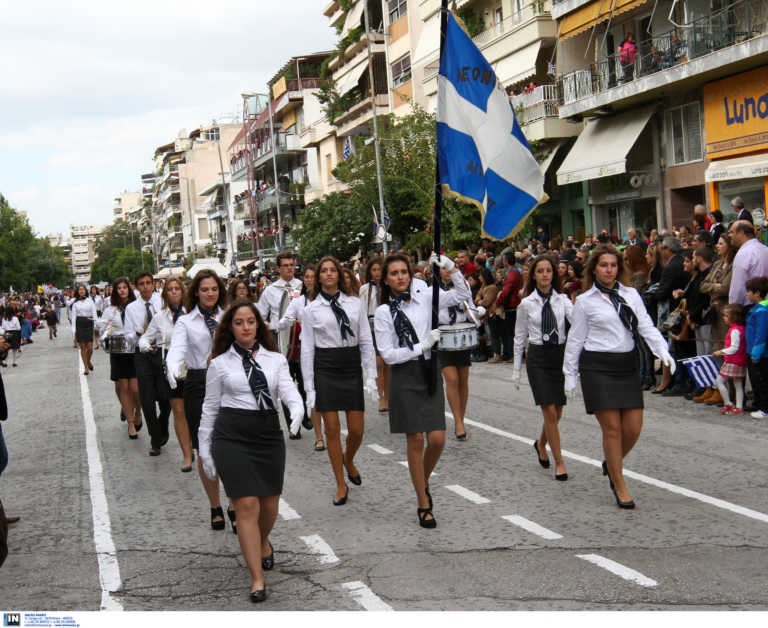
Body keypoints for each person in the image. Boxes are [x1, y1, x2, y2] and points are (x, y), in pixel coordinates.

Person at [199, 301, 303, 602]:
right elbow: (210, 408)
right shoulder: (219, 364)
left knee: (269, 504)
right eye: (238, 323)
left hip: (267, 434)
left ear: (258, 325)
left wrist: (297, 408)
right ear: (230, 329)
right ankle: (257, 578)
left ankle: (262, 540)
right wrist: (204, 448)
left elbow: (288, 390)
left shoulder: (275, 359)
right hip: (231, 435)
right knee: (246, 504)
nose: (245, 327)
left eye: (250, 321)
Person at [564, 244, 675, 509]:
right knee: (612, 429)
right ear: (594, 269)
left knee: (633, 428)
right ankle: (619, 483)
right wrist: (569, 374)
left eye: (613, 265)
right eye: (604, 265)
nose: (609, 270)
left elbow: (646, 326)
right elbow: (575, 339)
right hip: (597, 366)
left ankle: (611, 462)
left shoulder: (631, 295)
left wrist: (663, 351)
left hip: (626, 364)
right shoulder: (585, 301)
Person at [374, 253, 468, 528]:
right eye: (394, 273)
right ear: (386, 279)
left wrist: (450, 267)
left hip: (428, 371)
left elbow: (462, 295)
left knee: (437, 439)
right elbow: (388, 354)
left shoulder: (426, 296)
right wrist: (421, 346)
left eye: (404, 271)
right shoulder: (383, 313)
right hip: (404, 374)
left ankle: (421, 479)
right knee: (415, 439)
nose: (400, 277)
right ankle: (423, 501)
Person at [300, 256, 376, 505]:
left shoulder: (354, 304)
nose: (330, 274)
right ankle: (340, 483)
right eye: (324, 271)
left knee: (357, 429)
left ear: (340, 274)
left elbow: (365, 340)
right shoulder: (310, 310)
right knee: (331, 428)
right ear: (318, 277)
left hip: (350, 365)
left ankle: (348, 458)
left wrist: (371, 375)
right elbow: (307, 350)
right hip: (326, 367)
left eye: (333, 270)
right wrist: (309, 387)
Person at [166, 270, 230, 531]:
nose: (210, 293)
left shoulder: (229, 316)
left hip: (228, 383)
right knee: (205, 447)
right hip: (198, 383)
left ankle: (235, 502)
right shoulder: (185, 322)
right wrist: (172, 366)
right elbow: (177, 349)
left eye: (214, 288)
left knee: (229, 446)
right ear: (196, 292)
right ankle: (215, 506)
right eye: (204, 289)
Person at [513, 255, 573, 481]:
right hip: (538, 357)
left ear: (554, 274)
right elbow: (519, 337)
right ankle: (560, 462)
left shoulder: (563, 300)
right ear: (534, 276)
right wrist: (516, 369)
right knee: (548, 409)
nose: (545, 274)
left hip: (559, 355)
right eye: (540, 271)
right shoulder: (526, 304)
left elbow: (577, 322)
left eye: (548, 270)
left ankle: (541, 443)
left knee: (558, 411)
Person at [139, 278, 192, 471]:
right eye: (170, 289)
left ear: (183, 292)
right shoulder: (160, 317)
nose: (174, 291)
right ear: (165, 294)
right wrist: (146, 345)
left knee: (193, 409)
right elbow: (145, 338)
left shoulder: (192, 313)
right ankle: (187, 455)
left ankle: (195, 442)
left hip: (192, 363)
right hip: (171, 364)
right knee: (178, 409)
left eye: (177, 288)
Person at [256, 251, 307, 439]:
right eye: (285, 265)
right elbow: (260, 316)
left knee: (305, 380)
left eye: (292, 265)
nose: (289, 269)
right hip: (281, 340)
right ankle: (294, 425)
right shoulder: (270, 290)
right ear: (278, 268)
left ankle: (306, 415)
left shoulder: (303, 286)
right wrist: (271, 327)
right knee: (286, 383)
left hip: (302, 339)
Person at [277, 265, 324, 450]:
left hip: (324, 350)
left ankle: (316, 423)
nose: (310, 280)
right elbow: (286, 319)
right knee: (309, 388)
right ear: (303, 279)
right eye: (307, 276)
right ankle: (315, 433)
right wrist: (280, 323)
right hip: (305, 351)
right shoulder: (298, 301)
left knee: (318, 390)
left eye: (313, 276)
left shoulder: (325, 300)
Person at [124, 270, 169, 456]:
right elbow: (127, 336)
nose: (145, 287)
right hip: (142, 354)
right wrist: (137, 333)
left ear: (153, 284)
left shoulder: (163, 302)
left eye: (148, 283)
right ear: (137, 287)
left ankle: (163, 424)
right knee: (147, 399)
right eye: (141, 284)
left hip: (162, 351)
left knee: (166, 397)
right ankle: (155, 439)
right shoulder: (131, 308)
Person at [436, 262, 478, 440]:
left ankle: (461, 416)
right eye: (443, 268)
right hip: (443, 337)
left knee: (463, 379)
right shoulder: (433, 290)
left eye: (450, 268)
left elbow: (471, 310)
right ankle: (458, 421)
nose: (447, 271)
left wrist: (475, 312)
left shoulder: (463, 285)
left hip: (461, 336)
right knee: (452, 379)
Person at [97, 277, 142, 439]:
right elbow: (101, 328)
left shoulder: (136, 307)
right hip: (118, 349)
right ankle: (130, 423)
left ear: (129, 290)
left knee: (135, 388)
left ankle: (138, 411)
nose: (122, 290)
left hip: (134, 349)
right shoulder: (110, 310)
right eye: (119, 288)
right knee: (123, 386)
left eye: (124, 287)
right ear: (115, 291)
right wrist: (106, 330)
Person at [358, 258, 390, 413]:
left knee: (388, 363)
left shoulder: (388, 286)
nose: (377, 273)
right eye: (374, 270)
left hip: (387, 326)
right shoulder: (364, 289)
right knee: (378, 364)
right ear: (370, 272)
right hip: (371, 326)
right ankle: (382, 397)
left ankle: (388, 396)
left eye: (379, 269)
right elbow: (361, 311)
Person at [713, 304, 747, 415]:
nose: (724, 318)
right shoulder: (740, 329)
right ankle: (739, 407)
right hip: (739, 360)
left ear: (733, 317)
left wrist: (721, 351)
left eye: (726, 316)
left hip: (733, 360)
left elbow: (734, 348)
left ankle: (728, 403)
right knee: (738, 384)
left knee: (719, 381)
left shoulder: (734, 331)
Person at [728, 221, 768, 307]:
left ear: (741, 233)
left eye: (732, 232)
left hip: (750, 306)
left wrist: (733, 308)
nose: (729, 235)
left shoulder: (743, 253)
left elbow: (737, 288)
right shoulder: (765, 249)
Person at [745, 277, 768, 419]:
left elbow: (761, 334)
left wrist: (756, 354)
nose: (746, 294)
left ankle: (765, 408)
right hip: (752, 350)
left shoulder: (762, 310)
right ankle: (758, 403)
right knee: (755, 380)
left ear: (757, 293)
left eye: (748, 291)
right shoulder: (757, 308)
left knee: (762, 380)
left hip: (760, 353)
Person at [494, 253, 523, 361]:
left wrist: (498, 302)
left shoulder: (512, 274)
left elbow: (506, 291)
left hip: (511, 304)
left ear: (506, 261)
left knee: (510, 332)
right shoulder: (515, 272)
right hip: (513, 303)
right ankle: (511, 354)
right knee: (511, 331)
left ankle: (512, 354)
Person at [71, 284, 97, 375]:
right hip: (80, 324)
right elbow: (73, 318)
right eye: (80, 289)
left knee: (90, 348)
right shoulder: (75, 303)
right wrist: (74, 330)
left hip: (89, 323)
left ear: (86, 291)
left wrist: (96, 325)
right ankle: (86, 367)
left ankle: (88, 361)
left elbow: (94, 313)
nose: (81, 291)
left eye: (83, 289)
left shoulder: (90, 301)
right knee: (82, 347)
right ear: (77, 292)